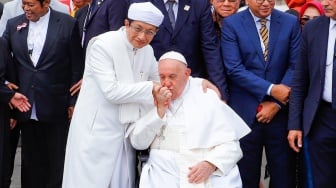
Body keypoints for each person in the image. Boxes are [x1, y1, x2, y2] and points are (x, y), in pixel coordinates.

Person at [62, 3, 164, 188]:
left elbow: (162, 81)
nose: (142, 37)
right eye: (138, 28)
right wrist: (151, 88)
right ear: (126, 23)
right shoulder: (103, 45)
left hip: (124, 135)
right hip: (95, 133)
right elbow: (112, 92)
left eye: (150, 32)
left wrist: (198, 83)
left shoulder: (147, 51)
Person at [128, 51, 250, 188]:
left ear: (187, 74)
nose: (166, 83)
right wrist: (159, 112)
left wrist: (211, 164)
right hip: (164, 172)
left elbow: (232, 147)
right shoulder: (151, 99)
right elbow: (138, 143)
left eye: (172, 77)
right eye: (162, 77)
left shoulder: (207, 96)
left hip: (204, 170)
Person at [2, 0, 84, 186]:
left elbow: (76, 66)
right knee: (30, 163)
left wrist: (73, 101)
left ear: (46, 3)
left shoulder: (67, 24)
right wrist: (7, 86)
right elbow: (3, 55)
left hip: (57, 104)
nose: (26, 8)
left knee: (56, 161)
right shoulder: (14, 23)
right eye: (24, 4)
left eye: (31, 4)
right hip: (25, 104)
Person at [221, 0, 301, 187]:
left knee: (283, 177)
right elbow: (234, 68)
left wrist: (278, 103)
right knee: (245, 177)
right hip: (245, 114)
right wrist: (271, 89)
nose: (266, 3)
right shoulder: (232, 24)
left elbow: (296, 65)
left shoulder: (290, 23)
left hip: (281, 114)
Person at [131, 0, 228, 100]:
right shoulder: (142, 3)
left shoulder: (199, 4)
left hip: (191, 86)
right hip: (154, 86)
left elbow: (210, 48)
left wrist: (220, 92)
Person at [287, 0, 336, 187]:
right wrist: (295, 124)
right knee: (319, 181)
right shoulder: (313, 28)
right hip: (321, 119)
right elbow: (300, 80)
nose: (326, 3)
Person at [0, 37, 31, 188]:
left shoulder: (1, 43)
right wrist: (7, 91)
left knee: (3, 167)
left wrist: (13, 114)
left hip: (3, 112)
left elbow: (9, 74)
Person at [0, 0, 69, 35]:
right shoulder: (10, 8)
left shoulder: (62, 9)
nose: (26, 8)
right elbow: (2, 38)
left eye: (31, 5)